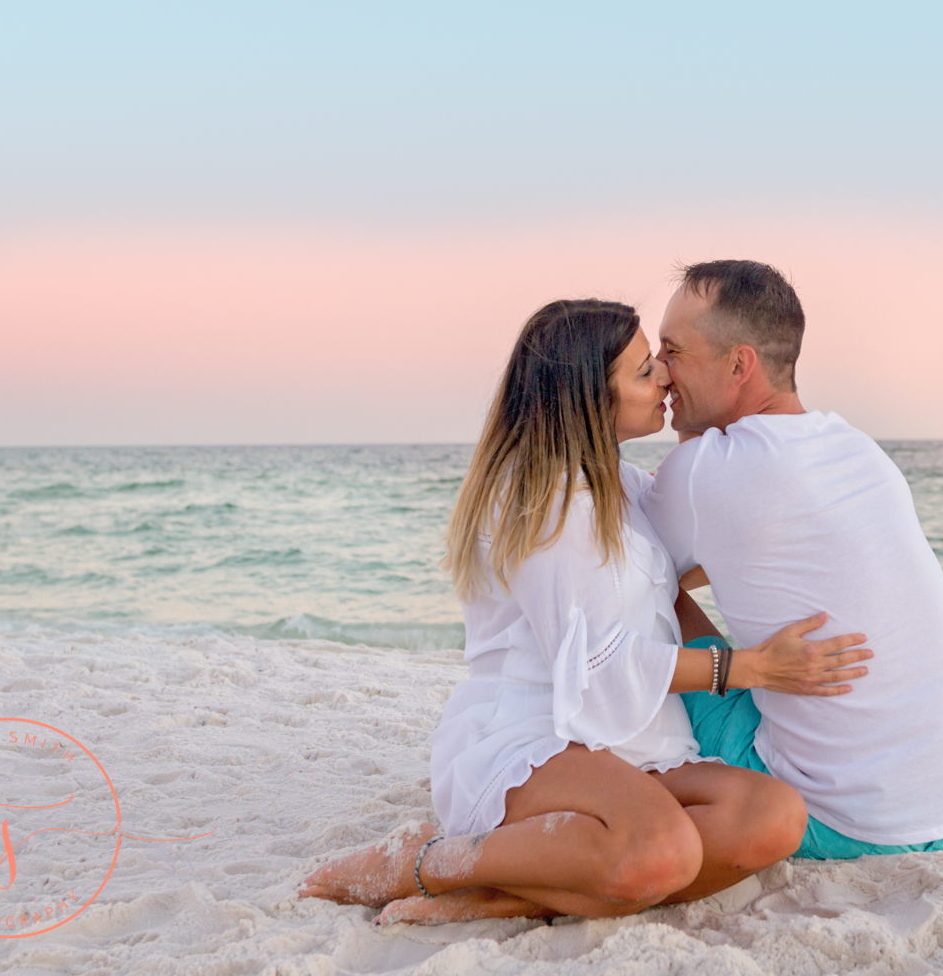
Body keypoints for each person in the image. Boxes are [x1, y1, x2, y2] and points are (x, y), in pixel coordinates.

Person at [300, 298, 872, 924]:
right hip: (539, 729)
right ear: (589, 398)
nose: (664, 378)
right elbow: (598, 665)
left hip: (633, 733)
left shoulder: (619, 483)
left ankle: (509, 894)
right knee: (662, 850)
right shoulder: (545, 498)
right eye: (644, 370)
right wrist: (749, 668)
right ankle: (425, 862)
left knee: (773, 817)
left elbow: (698, 549)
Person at [640, 260, 943, 860]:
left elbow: (644, 571)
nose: (658, 370)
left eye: (673, 350)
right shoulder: (856, 449)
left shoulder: (706, 473)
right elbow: (736, 545)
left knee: (645, 591)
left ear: (739, 364)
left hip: (851, 828)